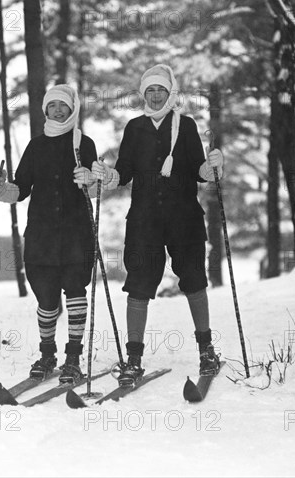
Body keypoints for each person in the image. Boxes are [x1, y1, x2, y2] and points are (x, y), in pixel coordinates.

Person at [91, 64, 223, 387]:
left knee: (193, 279)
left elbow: (198, 171)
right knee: (138, 284)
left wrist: (211, 168)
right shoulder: (135, 129)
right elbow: (123, 172)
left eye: (159, 90)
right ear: (143, 94)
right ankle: (133, 360)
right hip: (144, 221)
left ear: (170, 92)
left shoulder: (187, 127)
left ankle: (207, 351)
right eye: (149, 90)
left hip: (185, 220)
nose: (154, 95)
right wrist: (109, 176)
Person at [0, 85, 97, 385]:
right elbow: (20, 188)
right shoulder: (36, 147)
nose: (58, 111)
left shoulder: (83, 144)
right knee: (47, 299)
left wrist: (90, 179)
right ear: (45, 110)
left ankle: (73, 357)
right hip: (42, 236)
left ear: (72, 108)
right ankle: (47, 354)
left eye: (63, 105)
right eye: (53, 106)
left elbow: (95, 187)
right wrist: (2, 189)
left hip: (76, 233)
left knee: (76, 291)